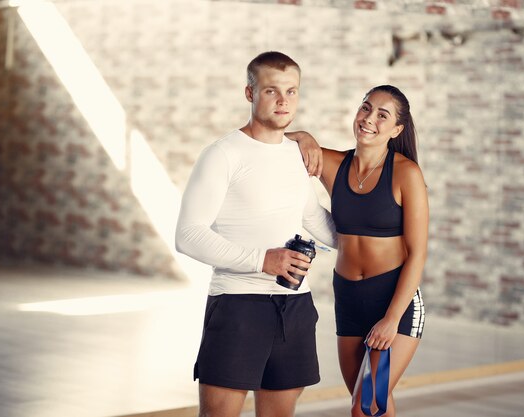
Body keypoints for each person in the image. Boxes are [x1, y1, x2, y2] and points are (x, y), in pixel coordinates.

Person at [175, 51, 337, 417]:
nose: (283, 101)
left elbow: (315, 219)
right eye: (271, 91)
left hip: (295, 307)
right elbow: (188, 234)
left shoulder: (297, 153)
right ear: (250, 93)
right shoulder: (222, 154)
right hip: (237, 305)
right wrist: (261, 260)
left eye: (292, 91)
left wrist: (374, 237)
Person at [289, 85, 428, 417]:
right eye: (366, 109)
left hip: (395, 300)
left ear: (396, 130)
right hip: (349, 298)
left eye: (383, 115)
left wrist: (392, 319)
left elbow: (418, 253)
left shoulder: (406, 173)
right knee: (374, 406)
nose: (369, 119)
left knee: (367, 404)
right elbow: (274, 143)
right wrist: (305, 136)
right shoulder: (334, 164)